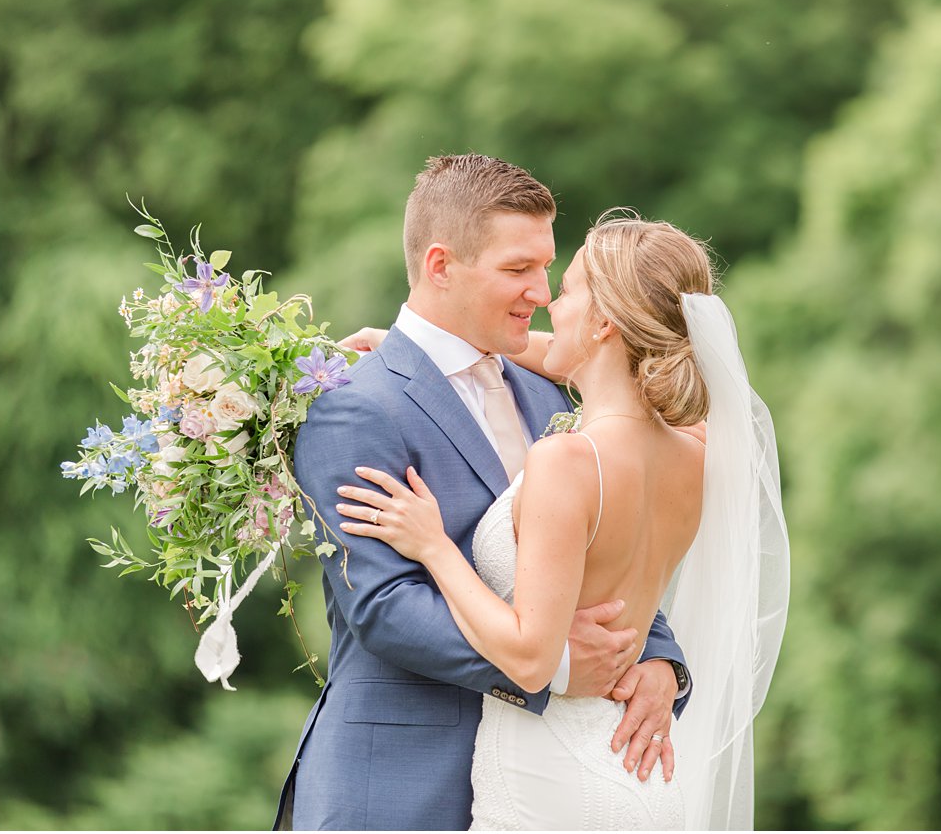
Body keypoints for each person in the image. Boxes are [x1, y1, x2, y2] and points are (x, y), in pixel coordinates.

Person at [334, 212, 789, 829]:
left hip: (551, 781)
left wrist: (435, 547)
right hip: (639, 771)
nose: (550, 298)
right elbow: (589, 359)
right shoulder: (698, 449)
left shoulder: (568, 460)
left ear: (604, 322)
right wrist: (410, 348)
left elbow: (529, 657)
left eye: (568, 287)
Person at [274, 156, 691, 830]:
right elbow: (380, 602)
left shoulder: (546, 389)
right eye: (518, 269)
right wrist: (550, 666)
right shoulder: (356, 403)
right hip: (401, 784)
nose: (543, 290)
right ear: (441, 265)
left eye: (548, 266)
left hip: (543, 783)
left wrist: (657, 658)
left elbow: (593, 546)